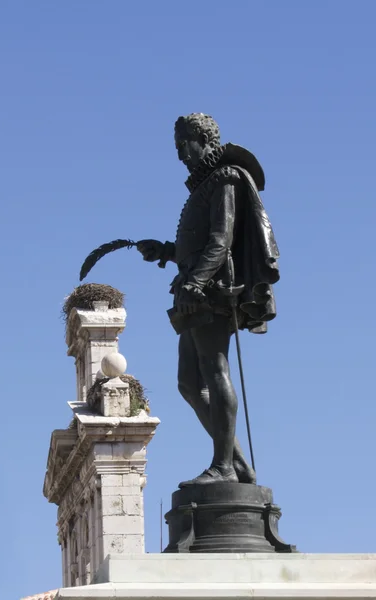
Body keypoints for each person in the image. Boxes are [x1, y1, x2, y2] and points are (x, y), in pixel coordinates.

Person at [137, 113, 280, 487]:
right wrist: (167, 251)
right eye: (177, 147)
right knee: (188, 383)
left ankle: (224, 467)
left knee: (215, 370)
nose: (181, 154)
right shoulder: (203, 186)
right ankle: (236, 462)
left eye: (185, 144)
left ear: (204, 139)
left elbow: (221, 239)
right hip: (195, 287)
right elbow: (200, 242)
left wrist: (195, 283)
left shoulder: (225, 178)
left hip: (212, 290)